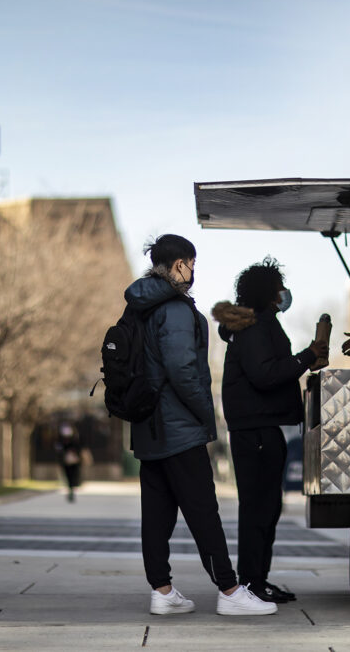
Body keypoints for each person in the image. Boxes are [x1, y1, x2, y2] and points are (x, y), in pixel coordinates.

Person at [125, 234, 276, 616]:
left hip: (148, 426)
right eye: (192, 264)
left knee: (156, 513)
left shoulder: (138, 306)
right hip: (178, 427)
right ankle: (229, 591)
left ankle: (162, 591)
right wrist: (206, 417)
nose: (193, 271)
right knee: (203, 510)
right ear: (180, 265)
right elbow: (183, 370)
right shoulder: (174, 308)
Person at [212, 257, 328, 604]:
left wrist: (305, 358)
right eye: (278, 285)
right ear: (268, 293)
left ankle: (257, 579)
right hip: (256, 430)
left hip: (262, 427)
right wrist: (307, 356)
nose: (283, 292)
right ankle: (250, 583)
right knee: (258, 509)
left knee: (266, 508)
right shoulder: (254, 329)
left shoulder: (260, 326)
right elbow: (264, 375)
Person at [55, 422, 82, 502]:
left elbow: (79, 449)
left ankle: (72, 490)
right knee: (68, 476)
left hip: (74, 462)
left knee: (73, 477)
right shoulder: (61, 441)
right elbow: (59, 451)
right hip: (66, 462)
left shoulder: (75, 440)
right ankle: (70, 490)